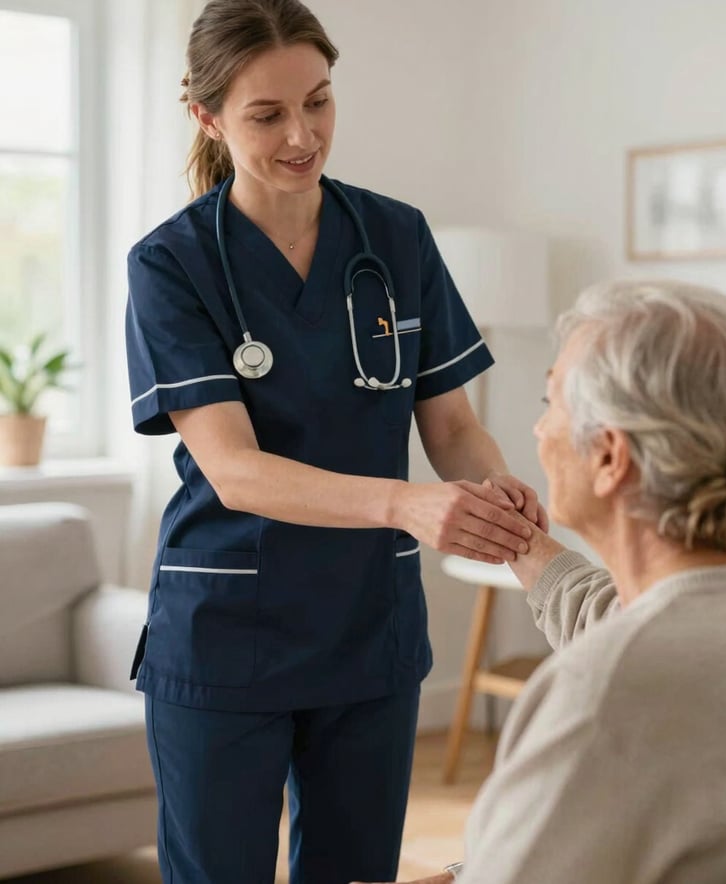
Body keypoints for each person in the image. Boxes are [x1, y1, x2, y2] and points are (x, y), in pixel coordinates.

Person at [124, 2, 545, 883]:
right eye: (267, 115)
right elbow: (234, 471)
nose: (303, 135)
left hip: (368, 627)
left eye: (318, 101)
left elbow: (453, 425)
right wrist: (405, 505)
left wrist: (496, 496)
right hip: (229, 633)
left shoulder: (395, 236)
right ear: (205, 115)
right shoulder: (171, 264)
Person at [356, 280, 726, 884]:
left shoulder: (603, 692)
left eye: (551, 403)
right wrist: (520, 541)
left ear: (609, 458)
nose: (538, 431)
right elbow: (620, 620)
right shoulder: (725, 617)